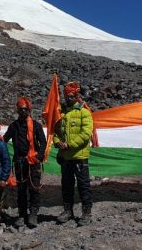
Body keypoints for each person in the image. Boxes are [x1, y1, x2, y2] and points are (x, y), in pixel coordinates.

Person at [53, 82, 94, 226]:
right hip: (65, 157)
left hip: (79, 156)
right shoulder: (61, 114)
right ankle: (67, 211)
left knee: (83, 185)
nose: (69, 99)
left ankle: (86, 213)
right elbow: (55, 132)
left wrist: (69, 144)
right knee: (66, 185)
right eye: (67, 96)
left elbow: (86, 134)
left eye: (71, 96)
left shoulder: (84, 112)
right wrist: (57, 142)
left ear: (77, 96)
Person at [3, 96, 46, 228]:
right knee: (21, 189)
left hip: (33, 162)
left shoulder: (36, 126)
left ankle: (33, 214)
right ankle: (22, 215)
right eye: (21, 109)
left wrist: (38, 157)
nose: (23, 111)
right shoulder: (14, 126)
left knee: (34, 188)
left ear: (29, 110)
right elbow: (4, 140)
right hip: (20, 162)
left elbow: (43, 143)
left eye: (25, 109)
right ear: (17, 110)